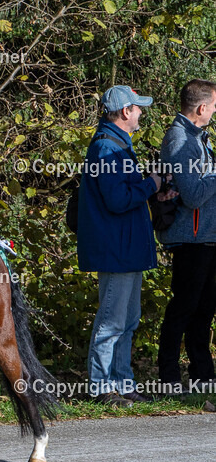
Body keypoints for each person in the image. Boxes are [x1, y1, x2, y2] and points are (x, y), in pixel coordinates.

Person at [77, 85, 165, 406]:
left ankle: (122, 383)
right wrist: (151, 184)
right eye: (138, 107)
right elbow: (117, 200)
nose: (141, 112)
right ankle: (101, 388)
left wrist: (151, 190)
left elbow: (124, 195)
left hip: (126, 249)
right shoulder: (106, 148)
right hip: (117, 250)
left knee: (127, 321)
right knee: (112, 322)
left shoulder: (117, 145)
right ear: (126, 111)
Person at [156, 79, 216, 393]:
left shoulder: (199, 138)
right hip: (190, 237)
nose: (215, 111)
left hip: (205, 236)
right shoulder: (181, 139)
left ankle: (203, 376)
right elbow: (192, 195)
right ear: (202, 107)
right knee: (184, 308)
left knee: (204, 310)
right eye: (215, 105)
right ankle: (168, 378)